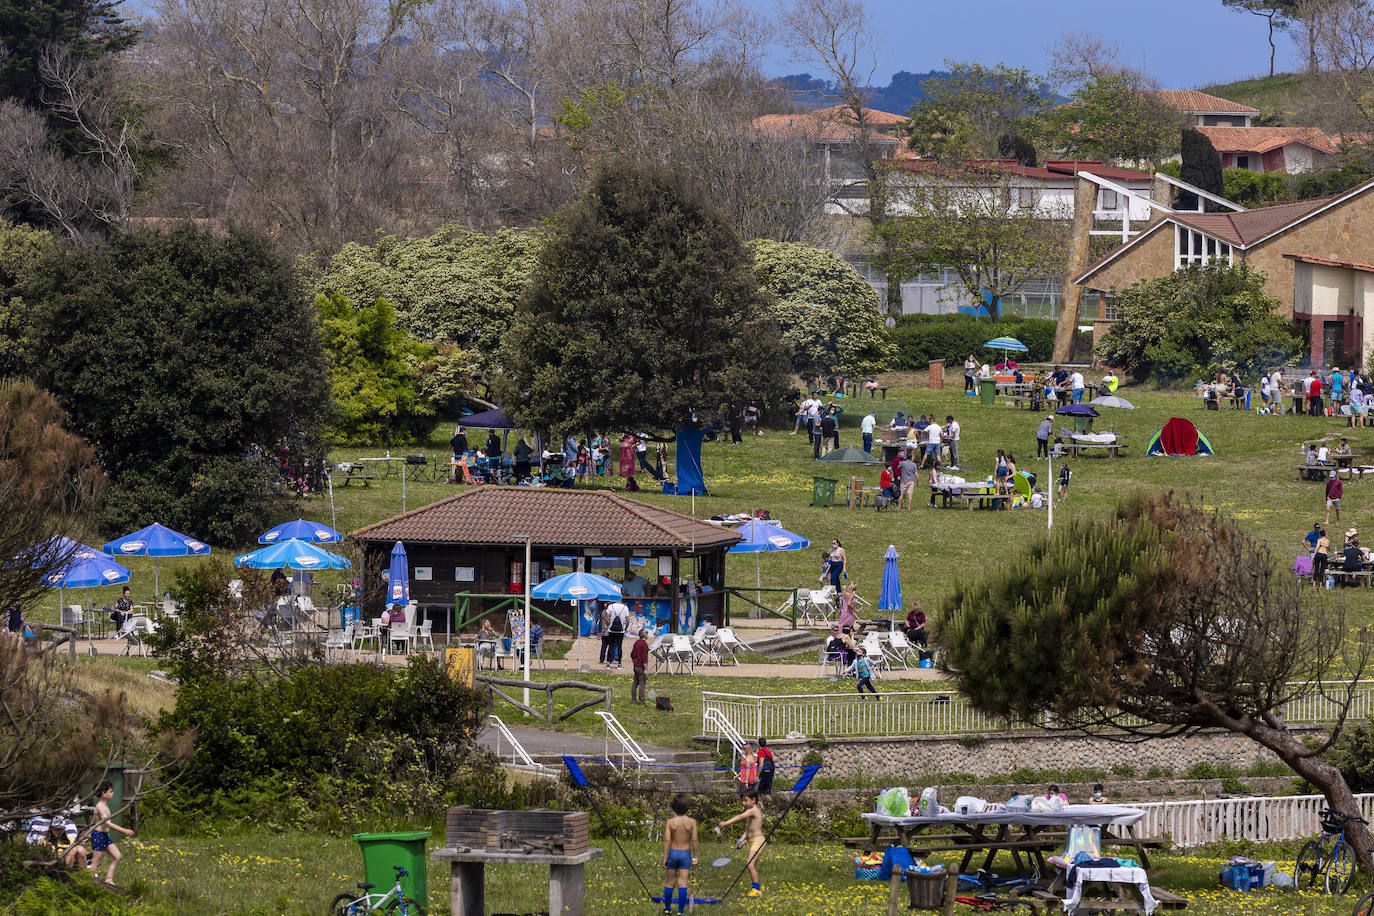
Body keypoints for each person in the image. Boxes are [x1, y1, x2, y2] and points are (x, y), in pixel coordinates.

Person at [719, 791, 766, 898]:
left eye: (745, 800)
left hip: (758, 840)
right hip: (751, 841)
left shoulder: (754, 810)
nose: (743, 803)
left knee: (750, 864)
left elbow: (740, 817)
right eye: (742, 801)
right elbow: (748, 829)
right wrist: (741, 840)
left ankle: (757, 889)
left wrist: (726, 823)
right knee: (751, 865)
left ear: (753, 800)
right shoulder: (750, 812)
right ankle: (755, 888)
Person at [90, 780, 135, 886]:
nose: (113, 793)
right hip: (99, 836)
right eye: (110, 791)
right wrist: (124, 830)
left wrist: (88, 831)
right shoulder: (100, 806)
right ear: (103, 794)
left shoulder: (105, 805)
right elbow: (108, 823)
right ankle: (88, 881)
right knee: (96, 861)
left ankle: (109, 879)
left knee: (117, 856)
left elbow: (94, 819)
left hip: (105, 836)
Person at [662, 795, 699, 914]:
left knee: (670, 883)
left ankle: (667, 909)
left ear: (674, 807)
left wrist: (665, 856)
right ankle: (680, 911)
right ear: (687, 807)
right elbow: (695, 840)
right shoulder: (691, 822)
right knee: (682, 883)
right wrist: (696, 856)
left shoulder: (670, 822)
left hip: (673, 853)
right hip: (685, 854)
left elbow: (667, 840)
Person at [602, 597, 629, 667]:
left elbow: (607, 618)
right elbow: (628, 620)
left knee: (611, 646)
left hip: (611, 630)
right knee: (619, 647)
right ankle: (619, 664)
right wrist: (625, 628)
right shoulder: (625, 608)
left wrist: (608, 626)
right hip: (621, 630)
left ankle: (608, 663)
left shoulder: (610, 606)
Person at [631, 628, 650, 705]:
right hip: (640, 666)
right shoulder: (644, 644)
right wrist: (646, 669)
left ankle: (633, 699)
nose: (647, 634)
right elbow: (644, 658)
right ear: (644, 634)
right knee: (642, 684)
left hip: (635, 666)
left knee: (635, 683)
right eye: (646, 632)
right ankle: (642, 700)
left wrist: (635, 661)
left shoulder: (636, 643)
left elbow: (632, 654)